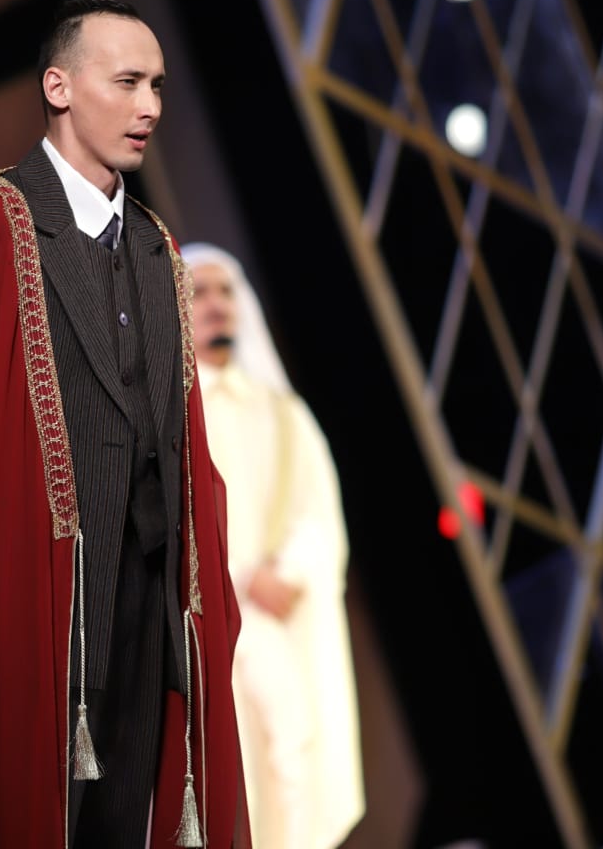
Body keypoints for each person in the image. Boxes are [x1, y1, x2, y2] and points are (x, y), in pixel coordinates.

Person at [0, 0, 246, 847]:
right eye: (128, 82)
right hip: (30, 604)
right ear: (58, 86)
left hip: (147, 607)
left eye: (158, 86)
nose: (150, 107)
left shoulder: (158, 250)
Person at [184, 243, 364, 848]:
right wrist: (238, 575)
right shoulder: (169, 417)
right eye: (200, 293)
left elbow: (318, 512)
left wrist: (288, 570)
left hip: (276, 613)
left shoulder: (283, 414)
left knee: (298, 750)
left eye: (226, 291)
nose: (216, 305)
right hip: (209, 621)